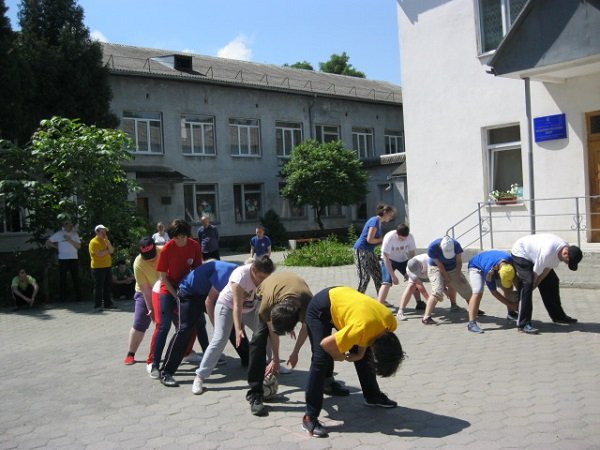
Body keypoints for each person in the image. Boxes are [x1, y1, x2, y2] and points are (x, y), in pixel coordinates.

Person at [302, 286, 404, 438]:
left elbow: (368, 336)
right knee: (320, 358)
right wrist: (339, 356)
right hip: (320, 307)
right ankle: (309, 417)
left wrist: (360, 353)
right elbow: (326, 344)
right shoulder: (361, 328)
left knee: (364, 355)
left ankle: (372, 396)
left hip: (344, 303)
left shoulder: (390, 323)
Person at [246, 271, 351, 417]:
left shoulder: (307, 302)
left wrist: (295, 352)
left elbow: (306, 327)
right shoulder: (267, 306)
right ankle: (255, 393)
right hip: (265, 293)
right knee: (257, 339)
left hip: (295, 292)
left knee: (322, 342)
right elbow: (273, 332)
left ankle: (328, 381)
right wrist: (275, 359)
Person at [192, 256, 275, 395]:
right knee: (219, 339)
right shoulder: (240, 276)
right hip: (227, 306)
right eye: (260, 277)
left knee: (264, 331)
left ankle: (273, 363)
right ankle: (200, 377)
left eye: (265, 278)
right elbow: (237, 305)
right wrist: (238, 329)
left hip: (249, 307)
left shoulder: (264, 275)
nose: (262, 281)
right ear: (253, 269)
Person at [159, 260, 250, 387]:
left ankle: (248, 360)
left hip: (206, 292)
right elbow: (209, 302)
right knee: (185, 330)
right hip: (189, 293)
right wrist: (217, 326)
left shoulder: (243, 276)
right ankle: (166, 372)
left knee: (233, 325)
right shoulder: (226, 274)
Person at [151, 219, 203, 379]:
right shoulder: (167, 248)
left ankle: (207, 354)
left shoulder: (194, 245)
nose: (180, 240)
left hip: (186, 287)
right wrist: (175, 295)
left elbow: (197, 270)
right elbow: (163, 277)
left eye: (183, 237)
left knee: (198, 321)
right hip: (168, 288)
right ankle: (155, 364)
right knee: (163, 325)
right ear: (172, 236)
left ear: (188, 235)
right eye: (177, 237)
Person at [511, 234, 583, 334]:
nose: (567, 264)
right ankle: (523, 324)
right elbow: (536, 275)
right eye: (568, 262)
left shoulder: (563, 248)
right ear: (565, 253)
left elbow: (546, 270)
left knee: (552, 281)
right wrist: (529, 289)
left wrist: (535, 285)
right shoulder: (548, 252)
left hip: (535, 254)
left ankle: (558, 317)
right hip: (521, 252)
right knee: (527, 283)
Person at [422, 236, 478, 325]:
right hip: (435, 268)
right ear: (441, 247)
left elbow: (459, 262)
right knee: (437, 291)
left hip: (453, 267)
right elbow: (440, 265)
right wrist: (447, 278)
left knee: (466, 289)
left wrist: (458, 276)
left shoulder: (456, 245)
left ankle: (474, 309)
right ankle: (426, 317)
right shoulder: (432, 247)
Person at [123, 237, 162, 365]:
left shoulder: (163, 251)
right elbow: (146, 290)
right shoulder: (138, 263)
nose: (151, 259)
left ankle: (186, 351)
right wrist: (151, 308)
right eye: (147, 256)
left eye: (152, 255)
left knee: (180, 321)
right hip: (145, 292)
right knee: (139, 322)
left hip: (165, 289)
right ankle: (130, 354)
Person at [465, 250, 519, 334]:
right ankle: (471, 324)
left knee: (508, 287)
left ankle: (511, 314)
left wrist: (521, 295)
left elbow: (515, 278)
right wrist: (511, 304)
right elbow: (494, 293)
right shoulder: (489, 272)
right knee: (478, 292)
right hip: (476, 266)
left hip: (494, 263)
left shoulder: (511, 262)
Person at [377, 223, 425, 310]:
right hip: (389, 260)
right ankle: (379, 307)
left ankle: (419, 303)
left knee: (414, 279)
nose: (403, 241)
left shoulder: (410, 237)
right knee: (387, 282)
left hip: (403, 260)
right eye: (401, 239)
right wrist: (393, 276)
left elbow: (412, 254)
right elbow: (385, 257)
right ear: (397, 234)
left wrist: (411, 269)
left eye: (404, 239)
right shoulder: (389, 237)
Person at [353, 203, 395, 294]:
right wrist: (383, 239)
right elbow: (370, 239)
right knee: (364, 278)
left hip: (369, 251)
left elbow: (375, 241)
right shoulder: (375, 221)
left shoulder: (379, 223)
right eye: (390, 214)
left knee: (378, 275)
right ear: (385, 212)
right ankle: (357, 299)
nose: (391, 217)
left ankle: (381, 300)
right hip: (361, 250)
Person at [45, 218, 82, 302]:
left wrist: (69, 240)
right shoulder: (59, 234)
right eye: (68, 224)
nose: (70, 226)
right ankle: (63, 298)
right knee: (63, 279)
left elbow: (79, 246)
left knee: (75, 278)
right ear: (64, 226)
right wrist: (56, 247)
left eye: (71, 225)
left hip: (73, 258)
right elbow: (48, 242)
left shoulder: (75, 234)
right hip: (63, 259)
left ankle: (79, 297)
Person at [89, 224, 116, 311]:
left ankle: (108, 304)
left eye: (105, 231)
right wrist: (107, 250)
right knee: (98, 287)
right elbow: (99, 254)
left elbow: (111, 251)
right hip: (97, 268)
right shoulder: (93, 242)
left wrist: (108, 243)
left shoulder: (105, 241)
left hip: (107, 266)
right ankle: (97, 306)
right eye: (102, 231)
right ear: (97, 232)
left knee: (107, 286)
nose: (104, 233)